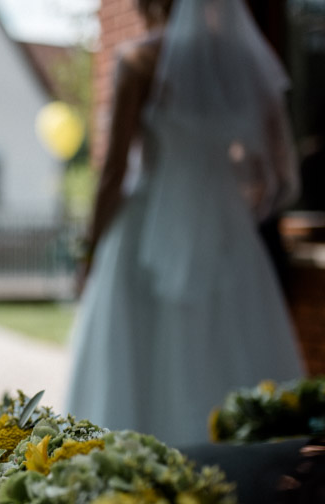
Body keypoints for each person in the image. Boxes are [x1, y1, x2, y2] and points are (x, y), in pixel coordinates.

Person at [65, 0, 304, 446]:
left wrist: (90, 249)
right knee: (227, 343)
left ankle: (132, 464)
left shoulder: (137, 60)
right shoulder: (242, 63)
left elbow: (113, 172)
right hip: (226, 228)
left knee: (143, 353)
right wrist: (226, 201)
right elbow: (272, 166)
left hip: (146, 227)